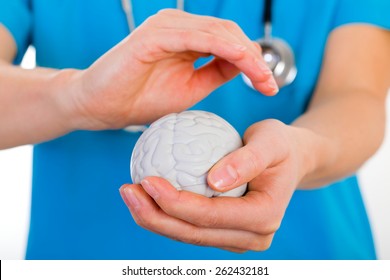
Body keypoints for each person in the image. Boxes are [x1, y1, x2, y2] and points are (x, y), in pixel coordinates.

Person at [0, 0, 389, 260]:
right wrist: (78, 97)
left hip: (307, 252)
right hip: (87, 254)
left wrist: (303, 153)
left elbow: (358, 96)